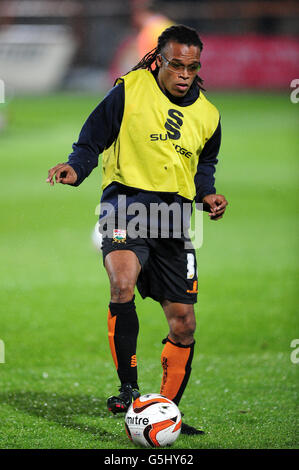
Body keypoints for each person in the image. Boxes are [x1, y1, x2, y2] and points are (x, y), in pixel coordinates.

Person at [47, 25, 228, 435]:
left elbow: (203, 166)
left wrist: (209, 194)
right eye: (176, 65)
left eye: (192, 67)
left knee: (184, 323)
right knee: (122, 284)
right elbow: (91, 140)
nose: (184, 74)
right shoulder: (129, 91)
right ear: (159, 60)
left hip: (174, 219)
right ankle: (129, 390)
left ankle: (165, 410)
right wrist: (75, 168)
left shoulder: (209, 115)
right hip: (125, 205)